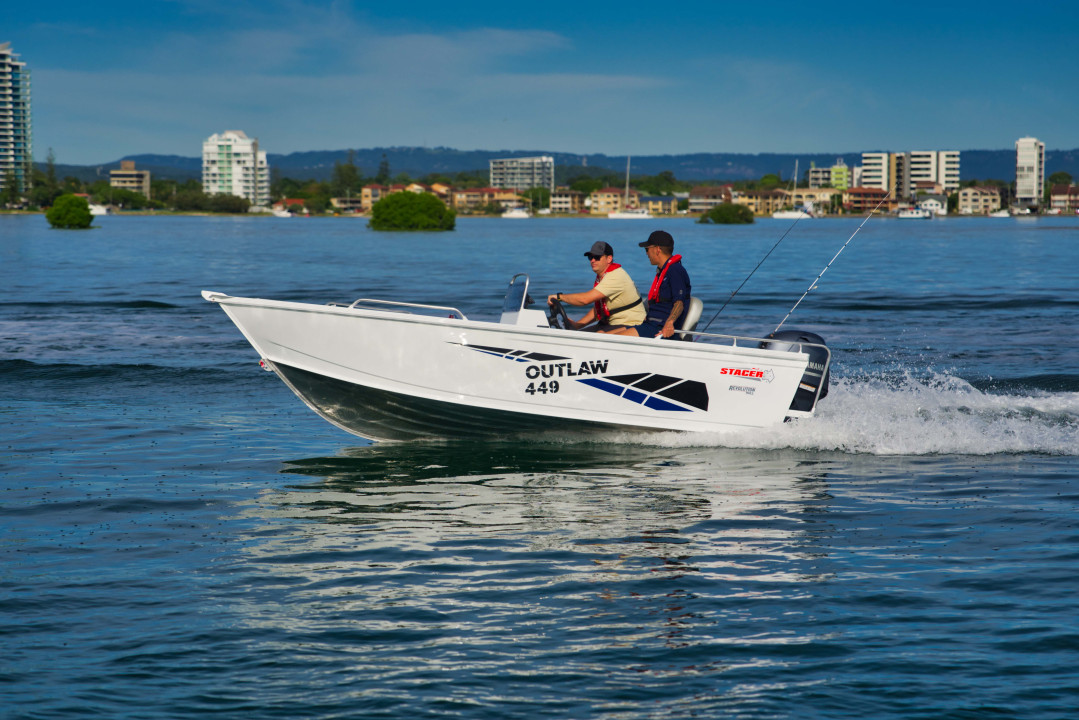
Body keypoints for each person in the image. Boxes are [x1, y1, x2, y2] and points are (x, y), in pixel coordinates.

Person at [607, 230, 691, 339]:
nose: (646, 253)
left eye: (647, 249)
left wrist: (669, 323)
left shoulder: (675, 270)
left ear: (657, 249)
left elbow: (679, 302)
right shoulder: (663, 271)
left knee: (611, 339)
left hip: (659, 328)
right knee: (603, 335)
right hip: (650, 324)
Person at [546, 241, 645, 331]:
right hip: (611, 323)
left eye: (597, 257)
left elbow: (584, 299)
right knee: (580, 334)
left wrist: (559, 297)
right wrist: (577, 325)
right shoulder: (603, 276)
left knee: (584, 340)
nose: (592, 260)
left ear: (609, 259)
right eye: (590, 257)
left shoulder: (615, 276)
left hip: (630, 324)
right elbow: (598, 309)